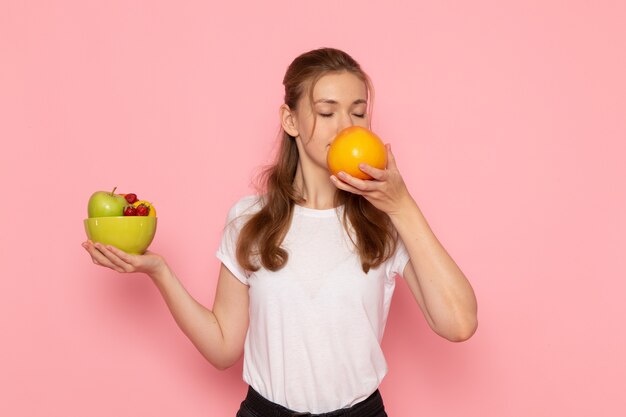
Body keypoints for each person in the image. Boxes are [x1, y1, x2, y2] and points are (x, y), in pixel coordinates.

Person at [82, 47, 478, 417]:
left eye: (358, 113)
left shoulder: (387, 222)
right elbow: (222, 348)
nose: (346, 127)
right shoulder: (248, 219)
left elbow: (459, 324)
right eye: (327, 112)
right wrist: (159, 271)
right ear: (290, 120)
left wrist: (401, 203)